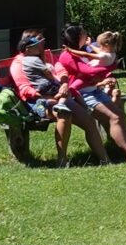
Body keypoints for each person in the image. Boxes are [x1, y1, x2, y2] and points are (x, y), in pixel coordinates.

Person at [10, 30, 108, 166]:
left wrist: (65, 84)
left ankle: (105, 160)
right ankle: (62, 160)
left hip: (60, 94)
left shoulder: (47, 55)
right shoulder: (19, 63)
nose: (43, 42)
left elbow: (61, 71)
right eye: (40, 39)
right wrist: (50, 96)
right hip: (37, 101)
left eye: (43, 39)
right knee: (64, 114)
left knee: (89, 121)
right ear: (29, 44)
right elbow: (25, 89)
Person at [57, 26, 126, 161]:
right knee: (115, 117)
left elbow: (110, 57)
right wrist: (109, 68)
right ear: (77, 37)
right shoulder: (67, 55)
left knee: (120, 115)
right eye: (84, 33)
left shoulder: (85, 49)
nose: (87, 34)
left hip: (95, 89)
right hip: (81, 94)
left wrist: (106, 71)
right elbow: (90, 71)